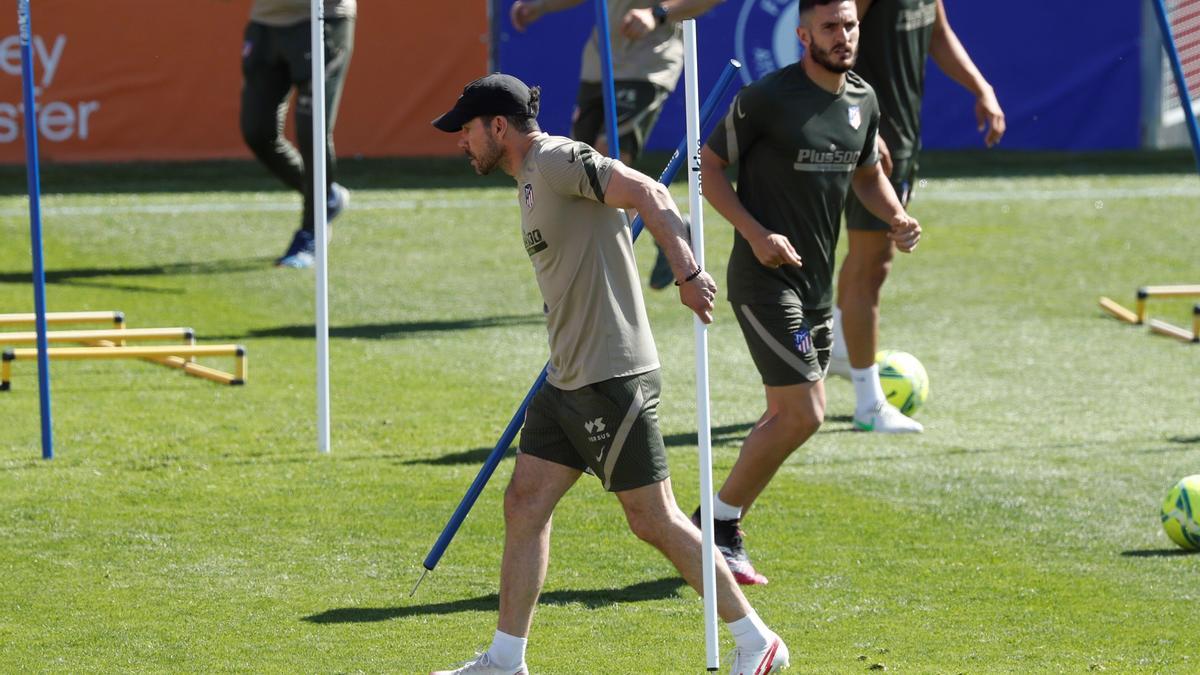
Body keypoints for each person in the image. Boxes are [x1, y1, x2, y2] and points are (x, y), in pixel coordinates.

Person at [429, 73, 789, 675]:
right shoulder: (527, 181)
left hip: (610, 375)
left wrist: (687, 273)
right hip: (566, 376)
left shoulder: (556, 160)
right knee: (524, 503)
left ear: (498, 125)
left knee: (652, 519)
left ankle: (758, 641)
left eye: (465, 130)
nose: (460, 142)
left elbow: (650, 192)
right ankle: (505, 661)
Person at [697, 0, 921, 585]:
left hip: (817, 287)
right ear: (802, 34)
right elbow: (708, 165)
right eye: (830, 27)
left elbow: (867, 173)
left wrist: (895, 217)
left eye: (849, 25)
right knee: (806, 413)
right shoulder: (768, 97)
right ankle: (718, 528)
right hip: (765, 278)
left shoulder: (862, 100)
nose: (843, 36)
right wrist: (756, 233)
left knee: (787, 415)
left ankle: (716, 526)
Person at [828, 0, 1005, 432]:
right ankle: (870, 404)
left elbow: (938, 34)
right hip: (875, 136)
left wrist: (981, 88)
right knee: (873, 263)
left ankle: (836, 344)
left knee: (870, 258)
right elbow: (831, 46)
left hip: (901, 135)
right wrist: (862, 127)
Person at [509, 0, 724, 290]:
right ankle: (666, 228)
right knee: (580, 175)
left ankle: (608, 271)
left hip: (647, 63)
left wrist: (658, 13)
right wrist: (540, 6)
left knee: (605, 158)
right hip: (600, 63)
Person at [238, 0, 355, 269]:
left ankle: (311, 233)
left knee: (312, 129)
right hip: (265, 23)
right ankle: (326, 196)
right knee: (257, 131)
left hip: (321, 19)